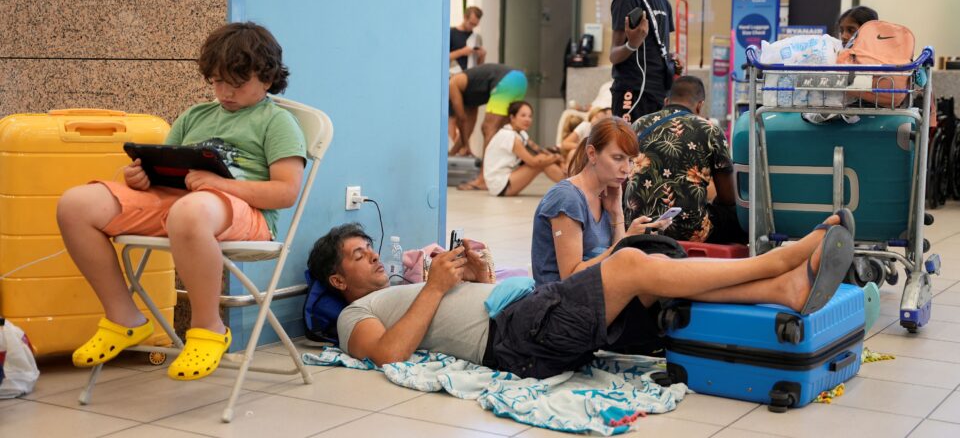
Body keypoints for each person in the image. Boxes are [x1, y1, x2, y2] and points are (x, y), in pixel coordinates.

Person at [311, 210, 855, 378]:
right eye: (359, 256)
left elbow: (464, 306)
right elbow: (387, 354)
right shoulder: (356, 313)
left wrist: (476, 273)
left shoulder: (409, 286)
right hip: (516, 338)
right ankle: (779, 259)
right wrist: (432, 288)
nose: (373, 256)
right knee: (630, 266)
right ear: (339, 282)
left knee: (652, 274)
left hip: (528, 312)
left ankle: (783, 286)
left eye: (368, 247)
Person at [56, 22, 306, 381]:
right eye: (217, 82)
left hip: (246, 213)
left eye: (236, 83)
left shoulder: (277, 122)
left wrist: (222, 185)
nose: (225, 92)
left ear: (267, 79)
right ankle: (124, 317)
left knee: (190, 211)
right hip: (182, 204)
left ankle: (209, 328)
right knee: (75, 205)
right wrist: (140, 178)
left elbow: (285, 193)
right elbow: (165, 168)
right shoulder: (195, 116)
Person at [531, 117, 670, 286]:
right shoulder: (567, 198)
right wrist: (627, 240)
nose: (626, 169)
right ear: (592, 154)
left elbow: (618, 265)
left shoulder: (606, 195)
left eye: (630, 160)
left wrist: (616, 212)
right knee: (657, 276)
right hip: (561, 301)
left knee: (661, 260)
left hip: (595, 291)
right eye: (618, 158)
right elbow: (570, 278)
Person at [623, 76, 745, 244]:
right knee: (742, 217)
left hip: (636, 226)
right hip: (689, 230)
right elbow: (729, 197)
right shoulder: (709, 129)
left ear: (666, 101)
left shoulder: (637, 125)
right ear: (700, 105)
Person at [609, 0, 685, 123]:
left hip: (660, 93)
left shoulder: (665, 3)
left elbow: (660, 50)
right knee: (628, 150)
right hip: (632, 92)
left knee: (654, 152)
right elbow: (613, 55)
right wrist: (632, 44)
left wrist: (672, 60)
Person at [449, 63, 528, 190]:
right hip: (520, 80)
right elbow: (467, 129)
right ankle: (500, 174)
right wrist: (456, 151)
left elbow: (461, 119)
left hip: (506, 82)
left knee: (488, 129)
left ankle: (482, 179)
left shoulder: (453, 83)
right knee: (502, 133)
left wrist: (463, 147)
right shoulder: (470, 96)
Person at [483, 101, 565, 196]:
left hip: (508, 179)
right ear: (512, 118)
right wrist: (556, 158)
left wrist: (560, 160)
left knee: (544, 158)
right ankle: (573, 187)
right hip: (500, 185)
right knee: (542, 162)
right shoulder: (509, 136)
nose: (527, 119)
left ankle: (572, 185)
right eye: (523, 115)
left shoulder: (521, 133)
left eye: (530, 116)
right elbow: (533, 162)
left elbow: (539, 150)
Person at [450, 6, 486, 74]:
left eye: (475, 25)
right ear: (465, 17)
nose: (472, 27)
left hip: (470, 77)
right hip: (454, 76)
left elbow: (479, 66)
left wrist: (482, 56)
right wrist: (461, 52)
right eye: (471, 23)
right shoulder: (451, 33)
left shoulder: (476, 37)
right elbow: (443, 58)